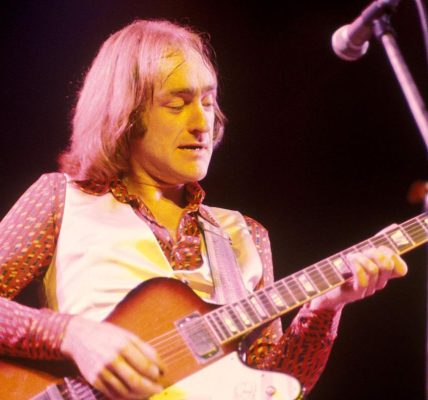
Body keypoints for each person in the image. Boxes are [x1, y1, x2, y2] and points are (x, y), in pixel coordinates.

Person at [0, 19, 408, 400]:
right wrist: (72, 335)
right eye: (177, 104)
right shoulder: (62, 199)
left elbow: (271, 384)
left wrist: (324, 308)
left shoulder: (245, 235)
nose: (202, 122)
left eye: (208, 102)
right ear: (125, 115)